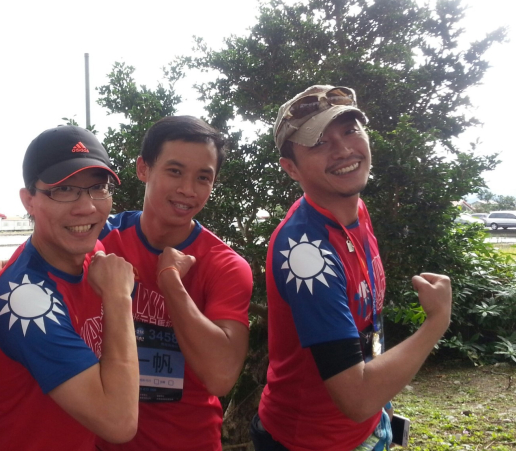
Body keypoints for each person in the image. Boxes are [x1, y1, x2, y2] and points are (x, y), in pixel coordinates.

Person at [251, 85, 452, 451]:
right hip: (313, 441)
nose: (343, 149)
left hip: (366, 425)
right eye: (319, 143)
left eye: (350, 130)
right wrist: (436, 322)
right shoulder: (305, 253)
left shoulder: (354, 209)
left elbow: (362, 333)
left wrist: (382, 407)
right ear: (291, 168)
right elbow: (356, 398)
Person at [96, 116, 253, 451]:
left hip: (189, 441)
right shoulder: (102, 240)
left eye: (203, 178)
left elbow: (221, 377)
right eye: (175, 171)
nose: (188, 190)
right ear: (143, 168)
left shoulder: (225, 265)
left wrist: (171, 283)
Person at [0, 125, 139, 450]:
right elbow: (119, 422)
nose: (87, 207)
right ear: (29, 201)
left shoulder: (91, 254)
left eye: (99, 188)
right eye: (64, 190)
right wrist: (119, 298)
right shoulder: (24, 302)